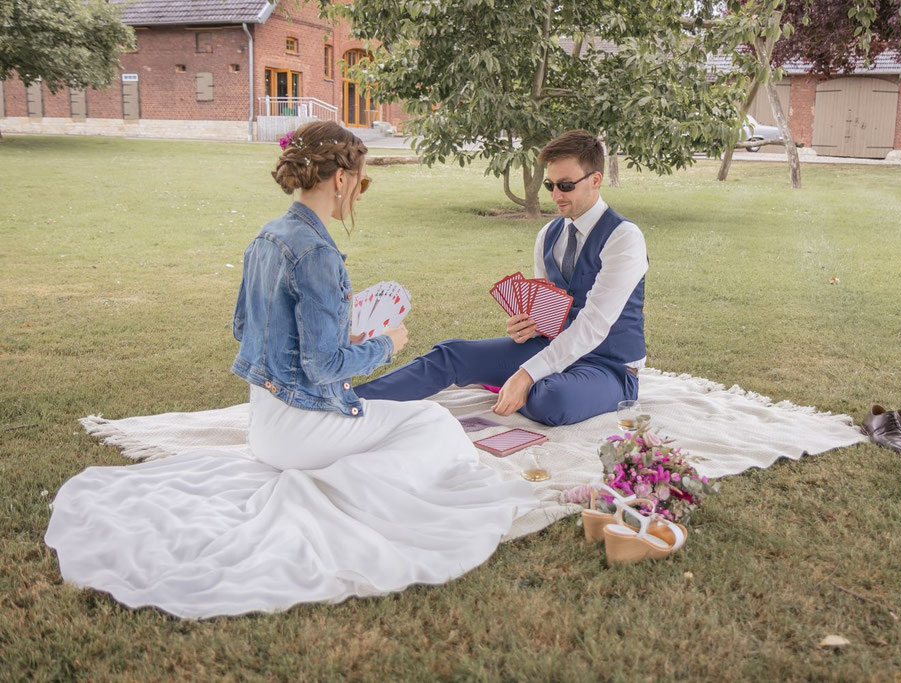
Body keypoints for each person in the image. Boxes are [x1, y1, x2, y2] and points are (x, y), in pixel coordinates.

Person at [44, 121, 535, 619]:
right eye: (361, 184)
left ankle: (346, 477)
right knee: (432, 422)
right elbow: (322, 368)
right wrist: (385, 344)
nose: (358, 197)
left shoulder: (267, 236)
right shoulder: (318, 253)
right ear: (340, 180)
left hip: (265, 423)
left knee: (407, 421)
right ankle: (357, 494)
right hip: (302, 427)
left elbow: (245, 327)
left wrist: (340, 332)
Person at [357, 130, 647, 426]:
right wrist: (529, 327)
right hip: (552, 350)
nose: (556, 195)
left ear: (595, 180)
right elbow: (548, 314)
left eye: (566, 185)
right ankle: (349, 403)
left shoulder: (624, 238)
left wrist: (525, 374)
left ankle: (509, 382)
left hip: (609, 366)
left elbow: (593, 324)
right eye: (550, 185)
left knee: (552, 398)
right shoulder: (548, 235)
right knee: (451, 354)